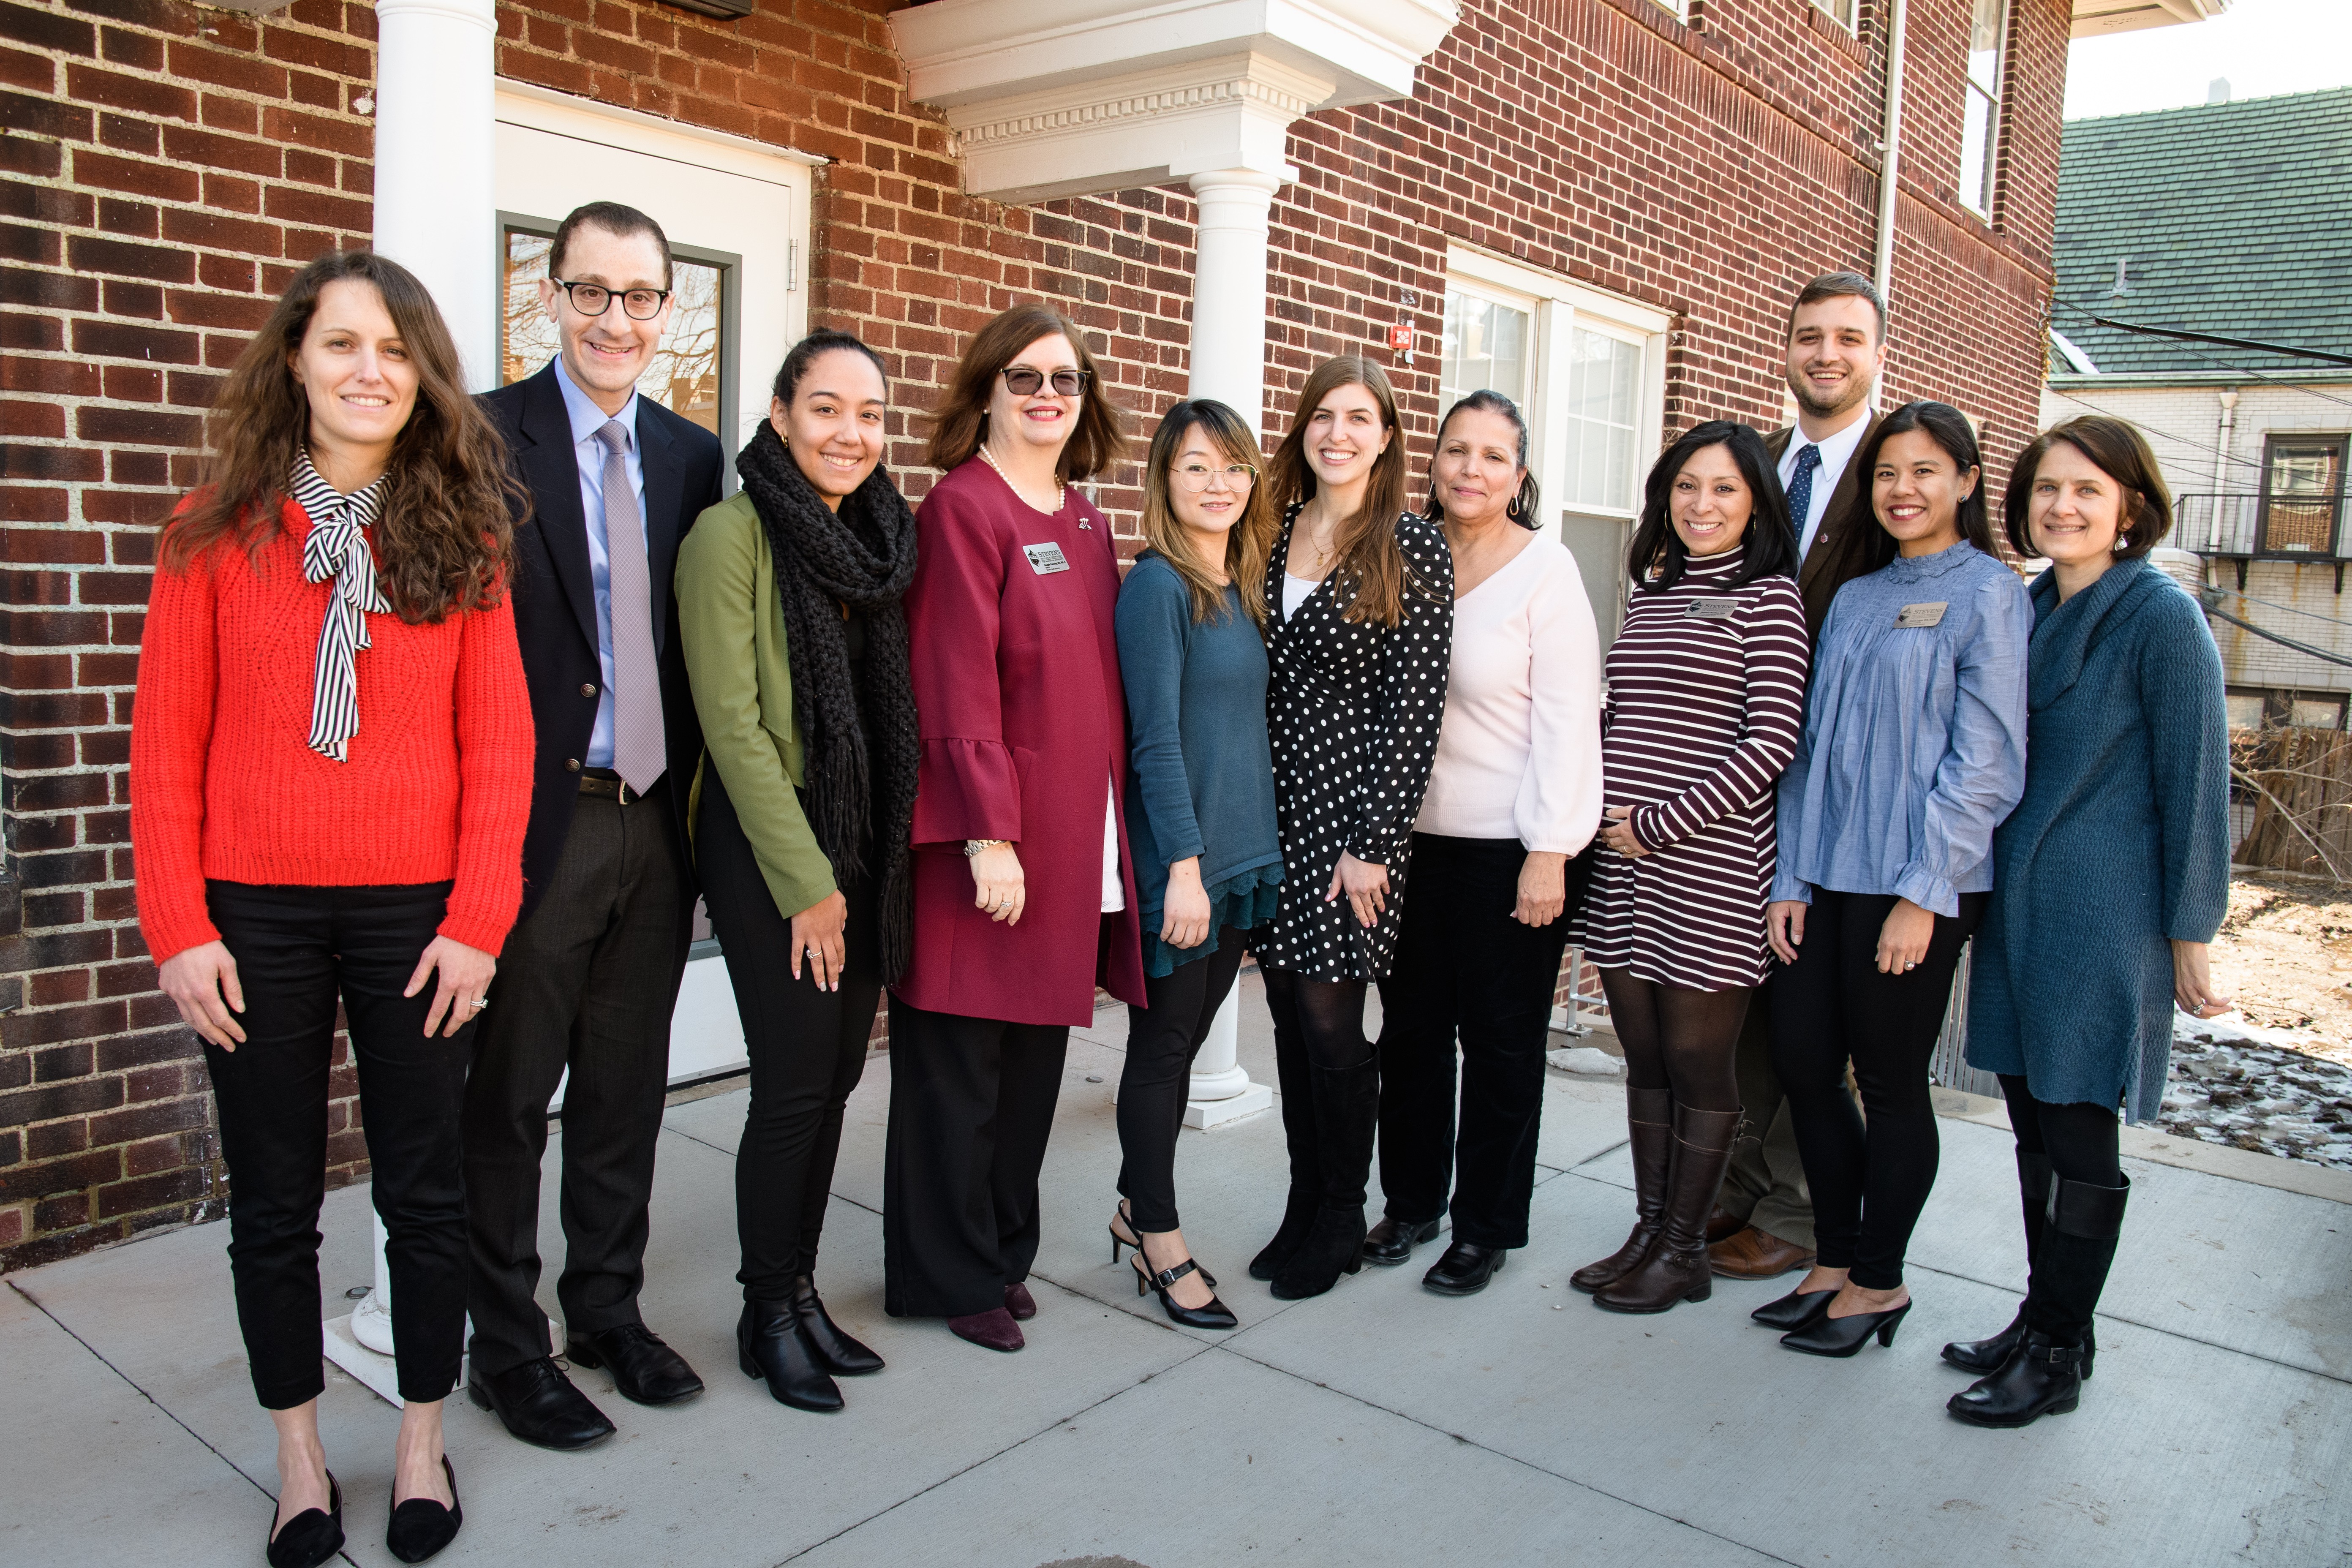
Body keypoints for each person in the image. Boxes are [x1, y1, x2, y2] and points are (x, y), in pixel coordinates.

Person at [131, 250, 531, 1566]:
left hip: (418, 914)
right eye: (345, 345)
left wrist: (479, 915)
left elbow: (502, 745)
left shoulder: (464, 538)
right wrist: (179, 926)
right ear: (295, 361)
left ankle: (420, 1439)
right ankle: (299, 1455)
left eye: (398, 352)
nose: (372, 372)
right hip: (252, 920)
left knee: (424, 1192)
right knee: (273, 1204)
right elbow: (164, 744)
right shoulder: (212, 534)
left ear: (423, 380)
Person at [466, 202, 726, 1448]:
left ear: (668, 309)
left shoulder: (690, 454)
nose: (617, 319)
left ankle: (607, 1310)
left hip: (652, 825)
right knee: (511, 1097)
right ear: (549, 296)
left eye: (641, 296)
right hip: (535, 824)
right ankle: (507, 1350)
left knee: (624, 1090)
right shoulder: (478, 437)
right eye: (592, 292)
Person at [1944, 416, 2230, 1426]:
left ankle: (2058, 1351)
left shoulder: (2160, 617)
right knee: (2030, 1126)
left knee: (2077, 1134)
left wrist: (2192, 930)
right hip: (2020, 908)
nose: (2061, 507)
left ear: (2132, 510)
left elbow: (2197, 780)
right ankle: (2048, 1313)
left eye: (2087, 491)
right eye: (2047, 489)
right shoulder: (2029, 605)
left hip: (2104, 915)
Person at [885, 304, 1144, 1352]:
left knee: (1032, 1068)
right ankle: (949, 1275)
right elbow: (952, 679)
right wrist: (986, 832)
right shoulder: (963, 508)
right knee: (957, 1074)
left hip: (1074, 844)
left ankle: (1001, 1251)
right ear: (987, 390)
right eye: (1026, 379)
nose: (1048, 396)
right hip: (988, 846)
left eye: (1066, 381)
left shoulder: (1084, 521)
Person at [675, 331, 916, 1411]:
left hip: (860, 839)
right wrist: (808, 882)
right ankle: (764, 1308)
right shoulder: (732, 535)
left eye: (868, 414)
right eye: (826, 408)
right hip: (771, 843)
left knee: (837, 1078)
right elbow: (733, 726)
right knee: (789, 1083)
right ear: (779, 416)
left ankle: (801, 1287)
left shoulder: (876, 544)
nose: (849, 433)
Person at [1760, 400, 2032, 1356]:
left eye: (1924, 471)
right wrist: (1789, 874)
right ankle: (1833, 1259)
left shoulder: (1993, 593)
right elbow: (1807, 748)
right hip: (1823, 872)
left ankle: (1879, 1280)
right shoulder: (1857, 593)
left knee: (1887, 1076)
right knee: (1802, 1060)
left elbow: (1987, 760)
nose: (1903, 489)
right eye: (1885, 473)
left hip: (1915, 881)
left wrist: (1927, 890)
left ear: (1965, 479)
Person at [1567, 421, 1810, 1314]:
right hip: (1624, 866)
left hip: (1708, 868)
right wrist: (1592, 804)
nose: (1701, 505)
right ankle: (1648, 1227)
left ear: (1756, 504)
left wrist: (1661, 823)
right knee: (1644, 1059)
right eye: (1686, 487)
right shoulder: (1656, 593)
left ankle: (1683, 1248)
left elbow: (1771, 743)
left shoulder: (1771, 598)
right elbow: (1623, 717)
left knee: (1699, 1064)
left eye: (1724, 490)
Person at [1369, 391, 1603, 1294]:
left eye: (1493, 456)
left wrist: (1551, 849)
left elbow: (1569, 721)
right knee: (1412, 1037)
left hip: (1511, 848)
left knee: (1502, 1043)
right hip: (1407, 844)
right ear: (1431, 460)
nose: (1471, 469)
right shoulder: (1400, 555)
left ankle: (1487, 1223)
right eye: (1456, 450)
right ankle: (1414, 1201)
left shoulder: (1547, 572)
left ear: (1520, 473)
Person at [1251, 355, 1454, 1301]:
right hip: (1272, 805)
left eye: (1360, 418)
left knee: (1334, 1026)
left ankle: (1340, 1212)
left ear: (1385, 437)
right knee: (1290, 1021)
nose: (1339, 432)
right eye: (1324, 415)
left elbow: (1416, 708)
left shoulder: (1412, 545)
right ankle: (1303, 1201)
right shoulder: (1273, 527)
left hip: (1351, 823)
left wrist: (1376, 842)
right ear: (1303, 429)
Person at [1712, 270, 1892, 1285]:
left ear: (1876, 354)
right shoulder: (1758, 463)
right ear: (1785, 350)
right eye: (1809, 337)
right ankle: (1737, 1184)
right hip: (1741, 768)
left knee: (1811, 1017)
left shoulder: (1893, 467)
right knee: (1746, 993)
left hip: (1838, 782)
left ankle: (1798, 1204)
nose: (1827, 355)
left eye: (1848, 340)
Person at [1106, 399, 1282, 1330]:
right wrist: (1179, 863)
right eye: (1196, 468)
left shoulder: (1242, 581)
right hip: (1189, 861)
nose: (1218, 485)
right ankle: (1159, 1237)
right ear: (1165, 483)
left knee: (1184, 1047)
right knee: (1163, 1049)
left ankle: (1136, 1207)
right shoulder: (1158, 587)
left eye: (1233, 468)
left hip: (1243, 856)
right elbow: (1155, 741)